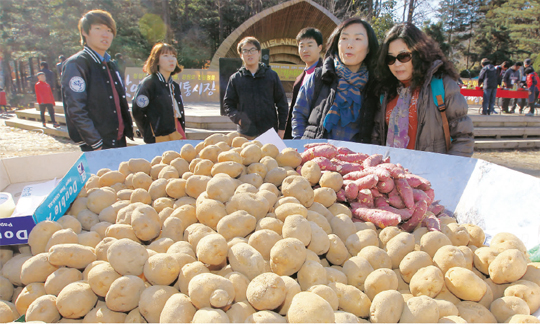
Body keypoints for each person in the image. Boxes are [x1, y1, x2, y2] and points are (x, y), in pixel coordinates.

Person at [372, 23, 474, 157]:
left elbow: (464, 138)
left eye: (403, 56)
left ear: (419, 53)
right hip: (393, 173)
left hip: (431, 173)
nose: (397, 64)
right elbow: (377, 138)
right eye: (390, 58)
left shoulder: (442, 84)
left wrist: (447, 172)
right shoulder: (386, 91)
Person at [291, 17, 379, 141]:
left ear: (369, 47)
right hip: (316, 156)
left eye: (358, 39)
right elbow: (299, 114)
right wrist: (302, 147)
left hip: (355, 158)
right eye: (344, 38)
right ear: (337, 43)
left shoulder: (374, 86)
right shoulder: (320, 77)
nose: (349, 45)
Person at [62, 9, 133, 151]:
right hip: (98, 145)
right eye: (98, 28)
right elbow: (76, 108)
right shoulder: (77, 64)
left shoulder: (110, 64)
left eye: (109, 30)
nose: (105, 34)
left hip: (117, 140)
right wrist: (95, 142)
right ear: (84, 32)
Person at [223, 36, 288, 139]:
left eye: (252, 50)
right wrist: (239, 119)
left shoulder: (271, 76)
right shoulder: (236, 78)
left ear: (259, 52)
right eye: (245, 51)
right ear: (241, 55)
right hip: (245, 133)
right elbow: (228, 104)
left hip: (269, 131)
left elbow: (282, 103)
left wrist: (282, 128)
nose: (249, 53)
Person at [132, 43, 186, 143]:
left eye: (173, 56)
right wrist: (147, 132)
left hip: (176, 132)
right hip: (157, 136)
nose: (171, 59)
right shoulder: (149, 83)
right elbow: (137, 111)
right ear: (156, 60)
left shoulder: (174, 86)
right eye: (165, 56)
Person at [283, 27, 324, 139]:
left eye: (310, 45)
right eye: (301, 46)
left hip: (316, 136)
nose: (305, 50)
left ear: (320, 47)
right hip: (298, 135)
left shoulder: (325, 76)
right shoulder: (300, 78)